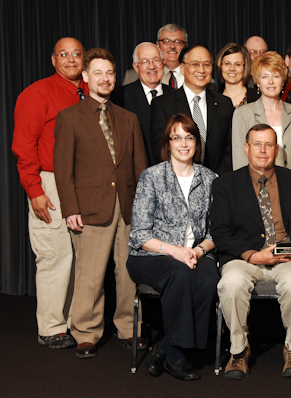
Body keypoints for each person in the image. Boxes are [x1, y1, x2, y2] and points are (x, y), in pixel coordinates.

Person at [53, 48, 149, 359]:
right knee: (90, 274)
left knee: (128, 273)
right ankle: (85, 333)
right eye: (98, 73)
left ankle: (129, 329)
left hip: (128, 207)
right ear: (85, 77)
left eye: (109, 73)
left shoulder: (128, 118)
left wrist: (144, 209)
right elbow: (63, 169)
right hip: (90, 207)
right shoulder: (69, 117)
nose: (105, 78)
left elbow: (140, 168)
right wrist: (70, 209)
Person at [211, 124, 291, 380]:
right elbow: (220, 233)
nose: (263, 150)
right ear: (246, 148)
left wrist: (290, 250)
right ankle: (239, 350)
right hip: (245, 258)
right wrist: (254, 256)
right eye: (257, 144)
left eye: (269, 144)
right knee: (230, 283)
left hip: (286, 257)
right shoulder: (225, 184)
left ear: (277, 149)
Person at [127, 113, 219, 381]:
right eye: (176, 137)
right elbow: (139, 234)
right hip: (151, 254)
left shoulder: (210, 178)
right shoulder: (152, 176)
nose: (183, 143)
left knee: (208, 278)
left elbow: (216, 231)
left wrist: (199, 251)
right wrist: (176, 251)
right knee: (180, 275)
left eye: (189, 137)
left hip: (195, 253)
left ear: (196, 143)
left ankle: (166, 348)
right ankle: (179, 356)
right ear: (168, 142)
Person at [11, 37, 88, 349]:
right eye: (63, 54)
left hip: (83, 183)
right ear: (53, 60)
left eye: (76, 54)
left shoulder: (89, 90)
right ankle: (51, 327)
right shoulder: (37, 93)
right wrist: (34, 189)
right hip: (50, 183)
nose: (70, 59)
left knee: (80, 258)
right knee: (55, 255)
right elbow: (24, 145)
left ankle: (72, 322)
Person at [151, 43, 234, 175]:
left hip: (217, 183)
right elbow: (160, 149)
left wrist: (216, 180)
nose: (201, 70)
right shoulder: (162, 104)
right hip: (177, 182)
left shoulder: (224, 103)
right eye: (195, 64)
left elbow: (230, 149)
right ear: (182, 68)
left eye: (207, 64)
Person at [232, 52, 291, 179]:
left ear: (283, 80)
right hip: (254, 190)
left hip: (290, 189)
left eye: (275, 76)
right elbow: (239, 163)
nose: (270, 82)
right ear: (258, 81)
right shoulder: (242, 114)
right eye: (264, 77)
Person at [120, 42, 173, 166]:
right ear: (135, 67)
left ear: (163, 63)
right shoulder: (121, 97)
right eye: (144, 62)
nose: (151, 66)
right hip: (136, 172)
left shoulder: (176, 95)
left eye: (156, 60)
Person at [123, 24, 187, 88]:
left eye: (178, 42)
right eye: (166, 41)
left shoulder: (194, 73)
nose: (172, 46)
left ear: (185, 46)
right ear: (158, 45)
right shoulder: (132, 76)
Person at [215, 43, 259, 108]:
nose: (232, 69)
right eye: (227, 64)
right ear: (220, 66)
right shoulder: (213, 100)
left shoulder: (257, 98)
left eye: (237, 64)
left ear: (245, 67)